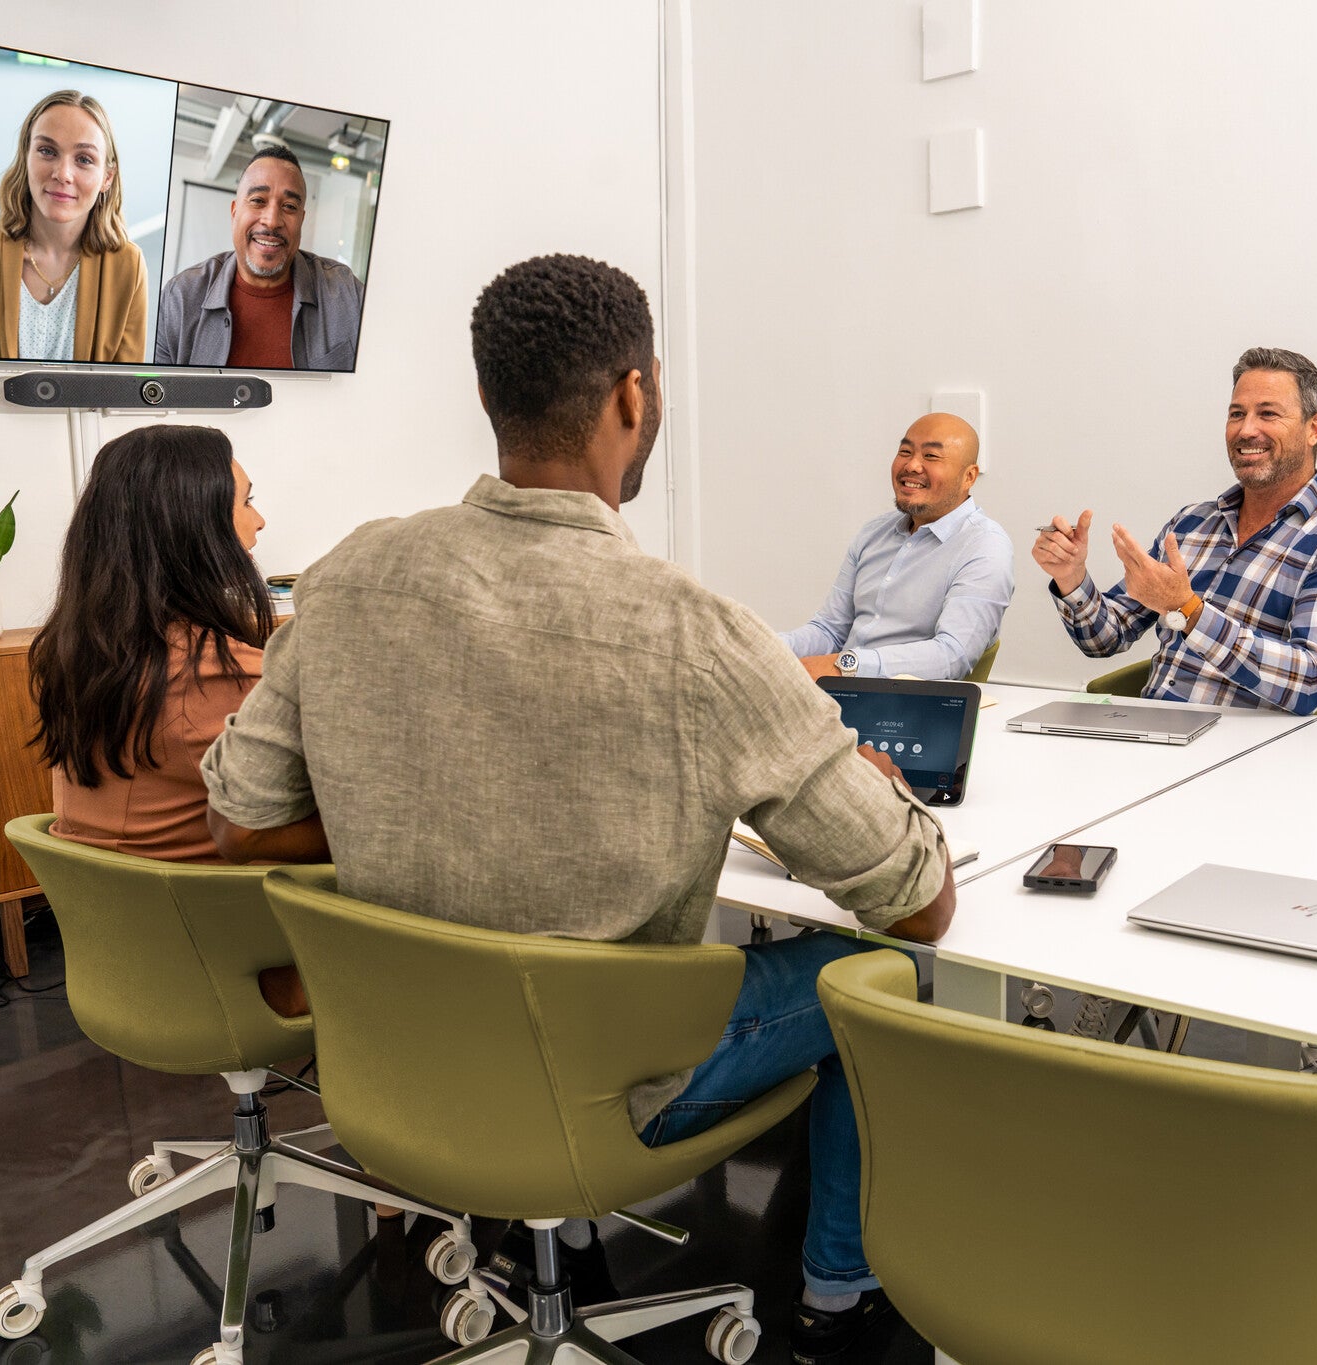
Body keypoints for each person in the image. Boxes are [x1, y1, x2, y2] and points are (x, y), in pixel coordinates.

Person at [201, 253, 955, 1356]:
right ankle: (836, 1294)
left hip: (397, 1060)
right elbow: (916, 902)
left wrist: (417, 798)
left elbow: (241, 820)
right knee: (880, 976)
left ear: (486, 394)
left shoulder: (349, 575)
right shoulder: (700, 634)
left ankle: (550, 1240)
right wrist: (866, 783)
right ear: (632, 397)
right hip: (605, 1090)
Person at [27, 425, 306, 1014]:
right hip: (232, 974)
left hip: (139, 965)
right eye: (247, 502)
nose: (259, 523)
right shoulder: (211, 678)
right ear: (194, 526)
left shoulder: (89, 654)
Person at [1033, 347, 1317, 715]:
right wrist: (1071, 577)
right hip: (1148, 733)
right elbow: (1105, 638)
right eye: (1237, 414)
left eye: (1267, 413)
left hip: (1244, 749)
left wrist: (1187, 610)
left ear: (1314, 429)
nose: (1246, 430)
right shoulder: (1191, 524)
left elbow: (1309, 682)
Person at [780, 413, 1014, 681]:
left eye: (931, 456)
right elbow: (830, 631)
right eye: (905, 452)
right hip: (840, 690)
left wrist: (846, 664)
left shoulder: (985, 546)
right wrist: (765, 649)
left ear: (968, 477)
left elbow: (952, 655)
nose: (912, 465)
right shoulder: (874, 533)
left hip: (904, 701)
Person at [0, 90, 148, 363]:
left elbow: (123, 385)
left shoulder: (129, 266)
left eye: (84, 159)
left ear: (107, 178)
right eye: (47, 151)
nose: (63, 174)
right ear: (26, 157)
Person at [154, 145, 366, 370]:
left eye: (289, 206)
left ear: (301, 220)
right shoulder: (179, 299)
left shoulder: (347, 295)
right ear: (234, 212)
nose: (272, 221)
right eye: (258, 200)